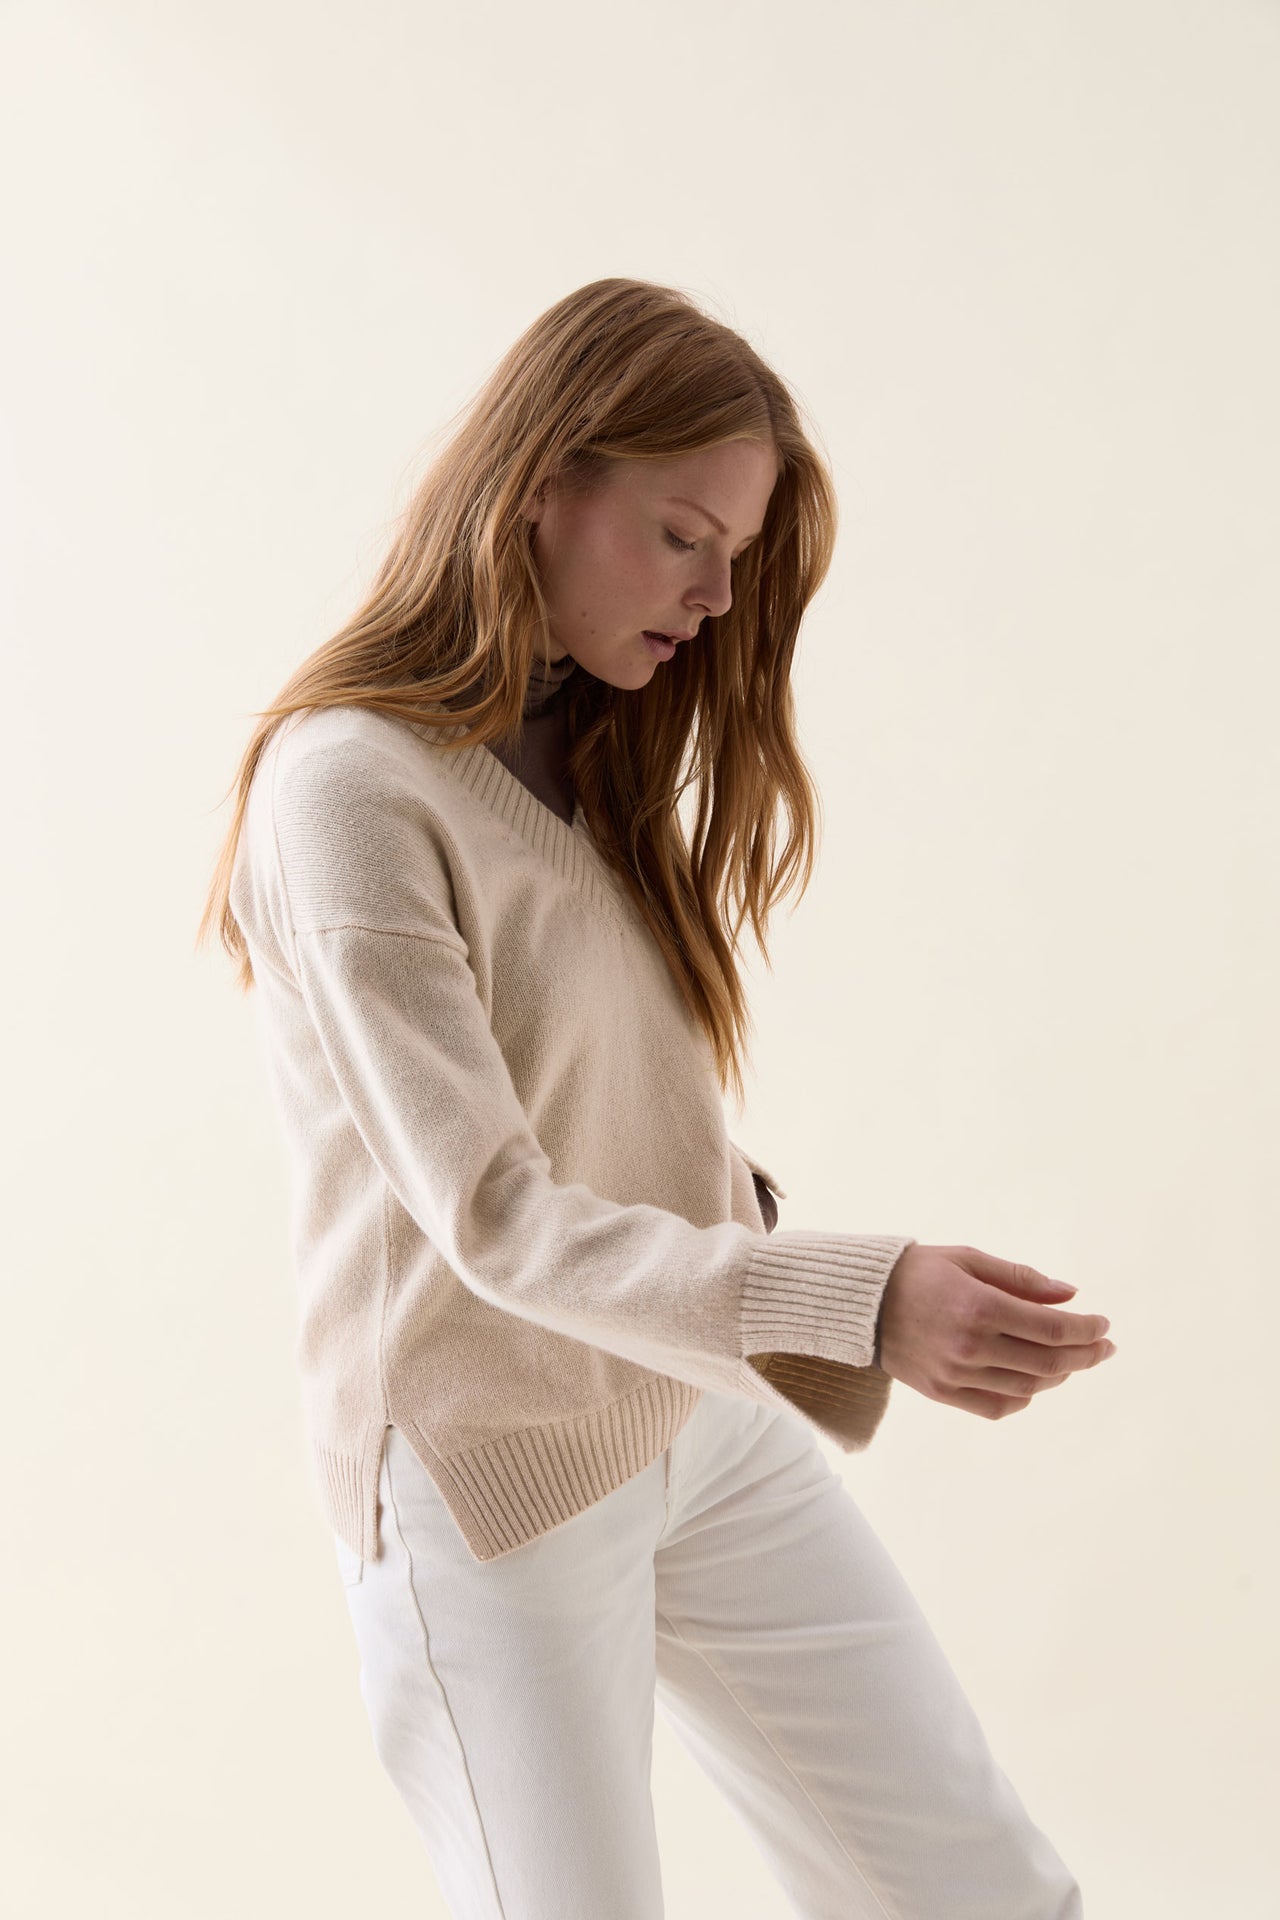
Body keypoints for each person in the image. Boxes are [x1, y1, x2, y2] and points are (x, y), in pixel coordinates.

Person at [198, 278, 1113, 1917]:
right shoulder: (348, 788)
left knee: (980, 1889)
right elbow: (495, 1216)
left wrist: (788, 1267)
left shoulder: (587, 750)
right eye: (684, 535)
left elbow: (609, 1103)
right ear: (543, 483)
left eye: (737, 555)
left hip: (689, 1410)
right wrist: (858, 1301)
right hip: (492, 1478)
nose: (713, 595)